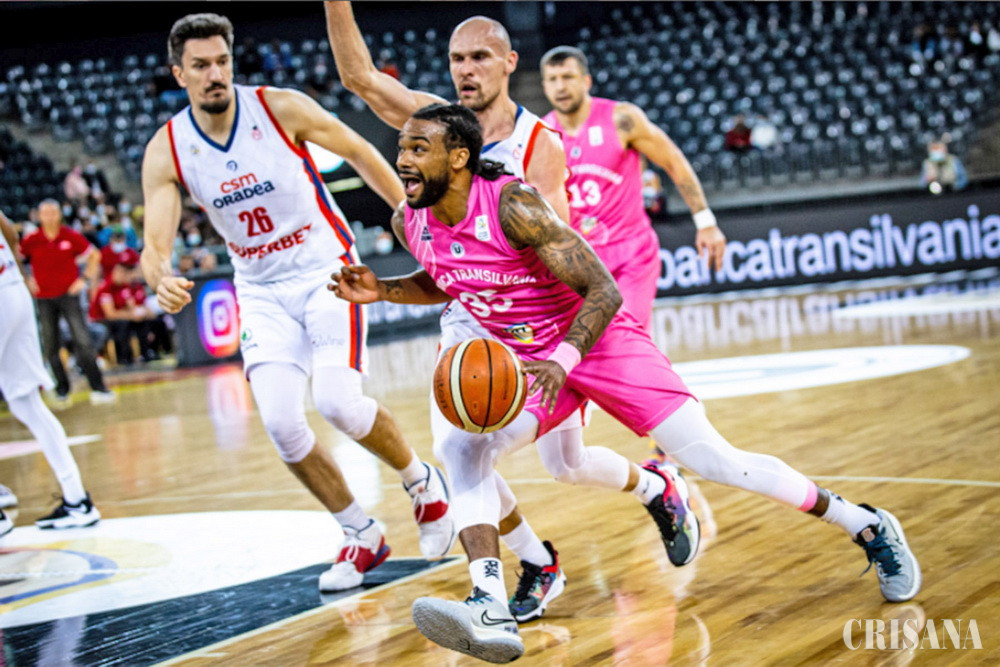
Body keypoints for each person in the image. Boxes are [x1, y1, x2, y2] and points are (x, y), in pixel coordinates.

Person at [331, 104, 922, 663]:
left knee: (716, 460)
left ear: (459, 157)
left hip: (597, 340)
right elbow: (446, 276)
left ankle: (865, 523)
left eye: (418, 147)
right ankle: (488, 603)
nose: (402, 159)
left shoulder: (514, 205)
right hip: (530, 359)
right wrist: (384, 290)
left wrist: (565, 359)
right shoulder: (410, 220)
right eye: (401, 147)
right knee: (466, 448)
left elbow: (603, 289)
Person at [325, 1, 695, 623]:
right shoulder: (435, 122)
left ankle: (656, 487)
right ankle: (532, 564)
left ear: (507, 63)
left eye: (478, 57)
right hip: (467, 313)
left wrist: (559, 345)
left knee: (567, 464)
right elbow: (359, 77)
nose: (465, 70)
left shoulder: (537, 142)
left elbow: (556, 259)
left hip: (530, 316)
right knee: (458, 445)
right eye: (456, 59)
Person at [139, 13, 455, 592]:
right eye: (201, 66)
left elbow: (360, 150)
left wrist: (414, 221)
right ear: (178, 73)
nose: (215, 74)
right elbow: (153, 247)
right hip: (259, 287)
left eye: (222, 62)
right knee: (282, 425)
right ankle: (360, 531)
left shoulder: (278, 107)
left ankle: (421, 482)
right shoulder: (168, 149)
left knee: (337, 402)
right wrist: (159, 277)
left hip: (325, 269)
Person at [0, 209, 101, 530]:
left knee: (27, 403)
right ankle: (77, 499)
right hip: (12, 288)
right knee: (26, 403)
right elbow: (9, 230)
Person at [19, 199, 115, 407]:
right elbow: (17, 258)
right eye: (45, 213)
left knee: (83, 340)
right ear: (39, 216)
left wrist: (84, 280)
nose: (49, 217)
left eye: (53, 212)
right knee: (50, 344)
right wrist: (26, 279)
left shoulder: (70, 235)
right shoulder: (32, 239)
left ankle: (98, 387)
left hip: (69, 296)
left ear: (59, 214)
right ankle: (62, 389)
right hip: (44, 298)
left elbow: (94, 255)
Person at [89, 262, 157, 364]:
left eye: (126, 273)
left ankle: (146, 353)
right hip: (101, 320)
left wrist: (137, 315)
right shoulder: (106, 287)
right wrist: (130, 316)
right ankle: (124, 357)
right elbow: (110, 314)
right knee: (123, 324)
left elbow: (131, 306)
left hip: (120, 317)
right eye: (122, 273)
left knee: (142, 321)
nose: (125, 276)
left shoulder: (124, 286)